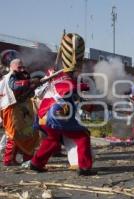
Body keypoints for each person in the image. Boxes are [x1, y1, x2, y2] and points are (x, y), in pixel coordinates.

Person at [30, 33, 94, 176]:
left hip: (43, 117)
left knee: (53, 140)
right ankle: (85, 167)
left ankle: (36, 163)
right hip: (57, 115)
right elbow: (69, 87)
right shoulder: (65, 78)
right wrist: (82, 86)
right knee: (83, 136)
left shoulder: (53, 76)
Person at [0, 53, 40, 166]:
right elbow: (15, 86)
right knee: (14, 135)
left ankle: (27, 158)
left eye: (23, 67)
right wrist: (30, 82)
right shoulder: (10, 77)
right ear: (12, 67)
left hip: (24, 109)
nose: (22, 69)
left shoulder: (23, 76)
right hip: (12, 109)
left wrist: (33, 86)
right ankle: (8, 160)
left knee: (29, 133)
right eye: (19, 67)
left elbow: (30, 93)